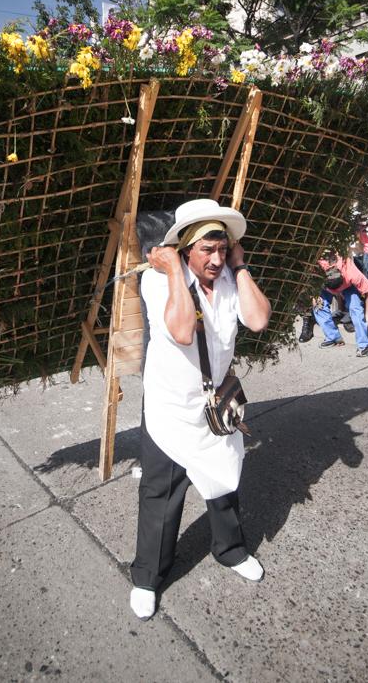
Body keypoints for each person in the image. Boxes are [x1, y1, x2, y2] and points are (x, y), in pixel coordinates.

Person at [130, 198, 271, 620]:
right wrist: (173, 270)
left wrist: (241, 266)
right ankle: (147, 577)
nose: (215, 259)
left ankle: (230, 550)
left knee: (224, 480)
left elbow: (258, 319)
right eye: (206, 250)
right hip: (170, 407)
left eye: (222, 249)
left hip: (215, 403)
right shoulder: (159, 282)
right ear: (185, 248)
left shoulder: (230, 277)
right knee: (161, 492)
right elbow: (179, 331)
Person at [312, 251, 368, 355]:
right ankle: (333, 338)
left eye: (338, 289)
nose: (337, 292)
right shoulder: (317, 268)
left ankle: (364, 345)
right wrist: (313, 296)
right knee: (318, 306)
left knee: (356, 309)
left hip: (349, 286)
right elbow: (310, 282)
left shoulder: (351, 273)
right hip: (324, 287)